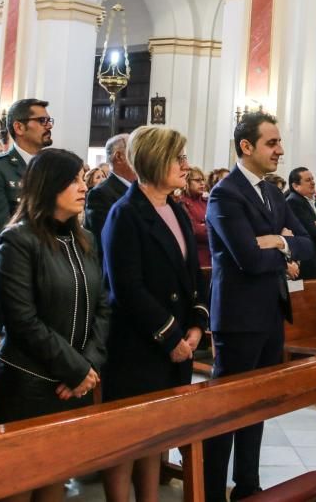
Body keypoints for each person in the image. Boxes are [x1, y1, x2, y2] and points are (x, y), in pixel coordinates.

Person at [203, 112, 313, 502]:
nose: (280, 150)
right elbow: (247, 258)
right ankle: (211, 490)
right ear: (246, 146)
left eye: (279, 142)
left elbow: (307, 244)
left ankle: (247, 484)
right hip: (238, 315)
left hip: (270, 311)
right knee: (227, 408)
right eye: (272, 143)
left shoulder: (271, 192)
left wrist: (279, 243)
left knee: (258, 405)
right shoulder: (226, 193)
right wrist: (281, 253)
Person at [0, 149, 110, 502]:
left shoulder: (83, 240)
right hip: (28, 382)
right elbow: (22, 319)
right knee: (19, 484)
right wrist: (74, 368)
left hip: (74, 383)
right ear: (48, 185)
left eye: (83, 177)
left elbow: (103, 307)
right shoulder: (18, 240)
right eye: (73, 179)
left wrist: (87, 366)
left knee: (55, 481)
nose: (83, 186)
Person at [101, 127, 209, 502]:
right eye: (177, 157)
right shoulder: (126, 214)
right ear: (154, 160)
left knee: (157, 435)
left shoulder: (175, 209)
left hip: (175, 342)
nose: (186, 164)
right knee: (126, 437)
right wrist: (171, 336)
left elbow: (192, 274)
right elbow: (127, 288)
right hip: (138, 345)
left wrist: (196, 325)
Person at [0, 98, 53, 249]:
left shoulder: (52, 167)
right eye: (42, 121)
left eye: (49, 120)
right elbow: (0, 230)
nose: (49, 125)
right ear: (19, 127)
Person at [85, 133, 137, 256]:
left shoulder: (140, 189)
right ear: (119, 157)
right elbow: (106, 241)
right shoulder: (100, 194)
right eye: (136, 152)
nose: (142, 159)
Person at [180, 166, 211, 267]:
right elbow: (195, 231)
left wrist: (204, 226)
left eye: (203, 180)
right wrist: (209, 227)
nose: (202, 183)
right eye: (197, 180)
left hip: (211, 256)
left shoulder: (206, 201)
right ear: (187, 181)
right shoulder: (181, 202)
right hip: (197, 258)